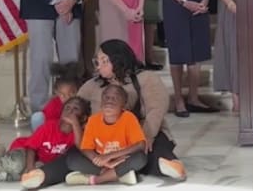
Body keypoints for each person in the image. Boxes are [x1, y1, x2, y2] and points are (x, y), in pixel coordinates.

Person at [78, 39, 186, 179]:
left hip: (141, 135)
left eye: (104, 61)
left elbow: (156, 109)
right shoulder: (92, 85)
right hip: (104, 143)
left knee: (150, 151)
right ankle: (122, 169)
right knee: (74, 156)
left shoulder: (146, 78)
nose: (99, 66)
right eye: (97, 61)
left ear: (118, 60)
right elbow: (76, 107)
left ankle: (169, 165)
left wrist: (147, 135)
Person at [0, 95, 90, 185]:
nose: (70, 111)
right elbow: (31, 148)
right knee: (18, 164)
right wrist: (30, 166)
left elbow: (80, 146)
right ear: (61, 112)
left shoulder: (78, 133)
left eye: (75, 109)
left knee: (33, 175)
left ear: (83, 117)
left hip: (40, 160)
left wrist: (75, 125)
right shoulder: (49, 126)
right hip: (24, 150)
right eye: (67, 108)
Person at [64, 85, 147, 186]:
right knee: (72, 159)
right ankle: (117, 174)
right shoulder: (93, 120)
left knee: (141, 158)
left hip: (121, 159)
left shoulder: (129, 118)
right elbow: (86, 148)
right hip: (101, 163)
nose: (109, 101)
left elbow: (140, 145)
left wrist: (109, 156)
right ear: (101, 102)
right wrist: (102, 161)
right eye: (106, 97)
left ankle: (97, 179)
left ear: (124, 105)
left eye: (115, 98)